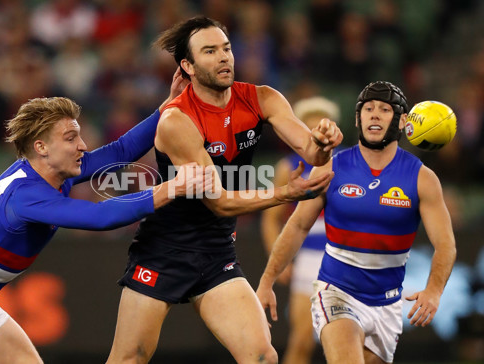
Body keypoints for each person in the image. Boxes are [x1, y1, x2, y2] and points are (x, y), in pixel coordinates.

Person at [0, 69, 213, 364]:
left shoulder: (50, 172)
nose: (83, 145)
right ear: (41, 146)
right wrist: (171, 188)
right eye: (70, 138)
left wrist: (169, 106)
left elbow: (116, 153)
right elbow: (100, 216)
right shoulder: (26, 197)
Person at [106, 16, 343, 364]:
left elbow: (311, 152)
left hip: (217, 252)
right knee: (130, 358)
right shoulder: (176, 121)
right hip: (164, 251)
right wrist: (284, 194)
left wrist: (324, 142)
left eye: (227, 48)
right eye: (210, 51)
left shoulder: (262, 98)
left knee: (263, 357)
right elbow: (218, 202)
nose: (223, 57)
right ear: (187, 65)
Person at [256, 81, 457, 364]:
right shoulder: (331, 167)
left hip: (387, 302)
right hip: (336, 291)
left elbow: (446, 244)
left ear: (402, 121)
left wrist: (434, 290)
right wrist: (267, 281)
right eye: (368, 109)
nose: (374, 114)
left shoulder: (422, 178)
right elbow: (297, 225)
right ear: (357, 119)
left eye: (384, 109)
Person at [260, 96, 340, 364]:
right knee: (302, 339)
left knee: (351, 344)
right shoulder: (287, 167)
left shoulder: (347, 161)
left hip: (344, 256)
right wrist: (280, 260)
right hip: (307, 259)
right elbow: (271, 219)